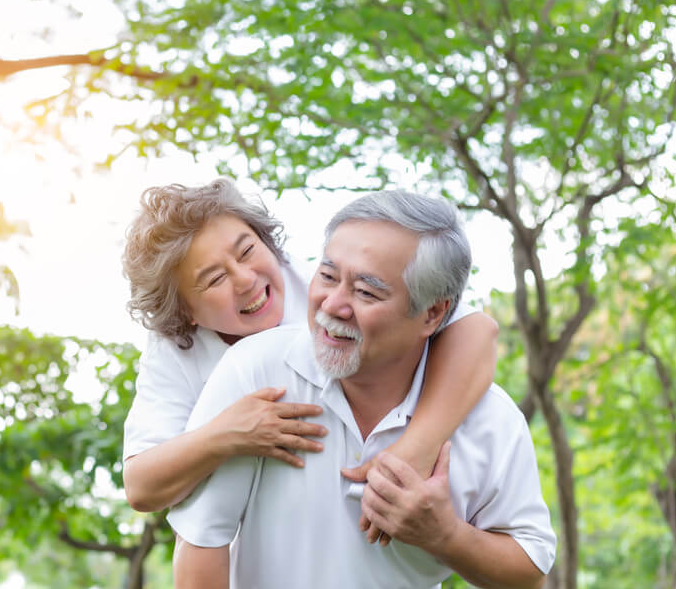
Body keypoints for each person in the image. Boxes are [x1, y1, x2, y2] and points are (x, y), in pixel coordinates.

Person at [167, 190, 557, 589]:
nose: (333, 305)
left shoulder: (489, 418)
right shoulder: (256, 372)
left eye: (367, 293)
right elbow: (202, 540)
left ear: (432, 314)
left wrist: (445, 535)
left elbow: (531, 566)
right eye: (328, 276)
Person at [120, 179, 499, 521]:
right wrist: (228, 434)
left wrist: (415, 449)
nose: (246, 279)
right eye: (215, 278)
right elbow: (141, 486)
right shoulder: (173, 349)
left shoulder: (326, 288)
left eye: (247, 250)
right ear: (185, 312)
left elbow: (477, 330)